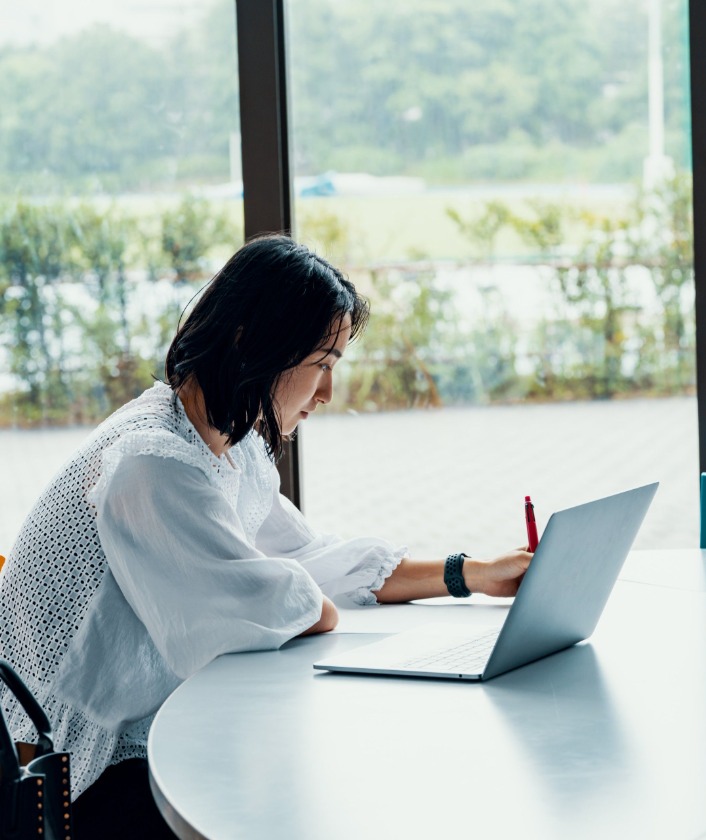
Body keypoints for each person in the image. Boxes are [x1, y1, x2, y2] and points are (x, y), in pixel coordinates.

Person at [0, 235, 531, 838]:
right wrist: (310, 603)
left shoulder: (230, 442)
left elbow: (306, 561)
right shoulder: (153, 465)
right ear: (256, 344)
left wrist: (471, 574)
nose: (329, 393)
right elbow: (276, 608)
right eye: (322, 365)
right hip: (72, 777)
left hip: (140, 730)